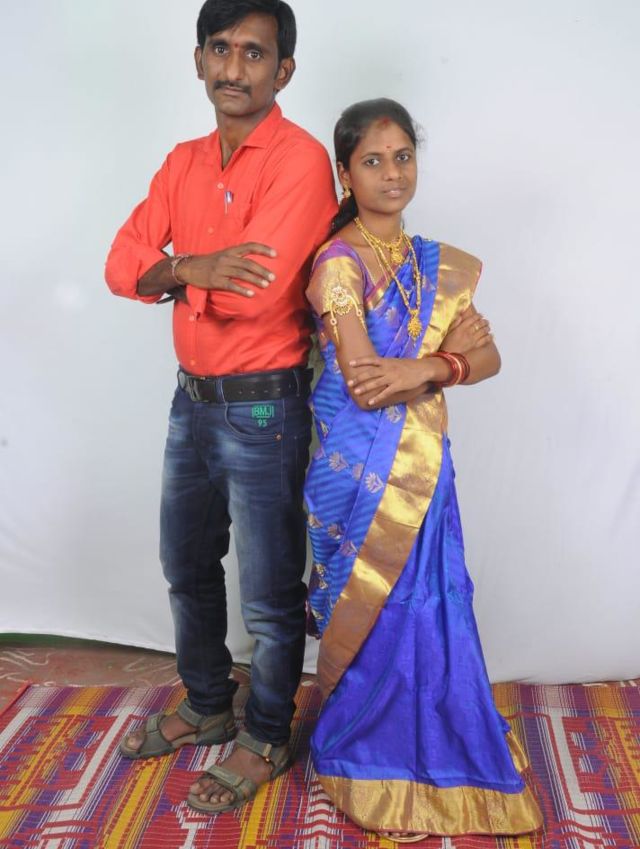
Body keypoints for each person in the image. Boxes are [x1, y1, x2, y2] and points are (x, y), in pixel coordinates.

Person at [104, 0, 337, 814]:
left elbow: (258, 292)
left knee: (269, 594)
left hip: (264, 410)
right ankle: (207, 703)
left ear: (284, 71)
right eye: (221, 48)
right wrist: (191, 267)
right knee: (187, 567)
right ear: (200, 60)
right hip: (192, 403)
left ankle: (266, 731)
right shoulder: (183, 161)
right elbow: (119, 262)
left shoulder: (302, 161)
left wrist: (174, 273)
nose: (234, 68)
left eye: (254, 53)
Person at [303, 99, 543, 842]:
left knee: (431, 601)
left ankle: (437, 729)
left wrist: (426, 368)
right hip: (356, 467)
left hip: (425, 464)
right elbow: (364, 381)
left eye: (403, 156)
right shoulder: (337, 262)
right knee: (376, 609)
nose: (392, 173)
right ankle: (368, 746)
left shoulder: (436, 263)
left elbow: (489, 358)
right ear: (345, 173)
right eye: (373, 160)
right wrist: (443, 361)